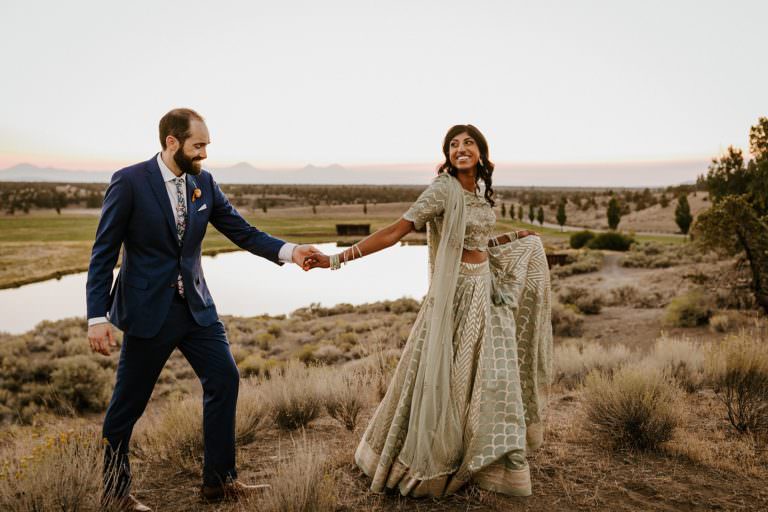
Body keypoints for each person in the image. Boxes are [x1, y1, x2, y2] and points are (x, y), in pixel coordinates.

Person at [85, 108, 321, 511]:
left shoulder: (204, 183)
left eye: (207, 145)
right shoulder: (129, 182)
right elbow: (104, 252)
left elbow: (242, 231)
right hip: (147, 312)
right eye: (198, 146)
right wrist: (97, 316)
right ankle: (114, 492)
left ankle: (219, 482)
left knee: (224, 378)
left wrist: (291, 251)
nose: (205, 155)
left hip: (196, 308)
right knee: (128, 404)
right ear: (171, 143)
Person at [304, 124, 553, 497]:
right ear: (448, 156)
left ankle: (484, 454)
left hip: (483, 292)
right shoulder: (443, 189)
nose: (460, 148)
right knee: (441, 380)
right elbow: (396, 230)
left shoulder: (480, 193)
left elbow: (478, 242)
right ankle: (427, 463)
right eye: (453, 145)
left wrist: (517, 237)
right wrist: (337, 259)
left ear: (481, 153)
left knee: (489, 377)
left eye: (468, 143)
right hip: (454, 298)